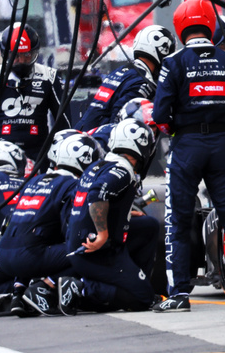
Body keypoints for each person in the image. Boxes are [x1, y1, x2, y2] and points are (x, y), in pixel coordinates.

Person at [153, 0, 225, 312]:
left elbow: (160, 114)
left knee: (179, 220)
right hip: (221, 145)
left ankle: (179, 295)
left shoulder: (173, 62)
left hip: (186, 145)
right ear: (210, 24)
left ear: (180, 26)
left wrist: (177, 124)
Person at [0, 132, 102, 316]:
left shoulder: (34, 180)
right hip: (29, 256)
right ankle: (44, 287)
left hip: (3, 255)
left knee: (28, 236)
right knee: (87, 248)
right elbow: (71, 228)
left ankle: (18, 294)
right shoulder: (72, 184)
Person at [62, 119, 161, 313]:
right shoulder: (122, 169)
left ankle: (133, 278)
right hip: (97, 249)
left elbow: (86, 201)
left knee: (148, 225)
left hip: (80, 241)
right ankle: (81, 289)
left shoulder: (99, 165)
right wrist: (103, 234)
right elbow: (97, 194)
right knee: (143, 299)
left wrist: (122, 213)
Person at [0, 23, 68, 159]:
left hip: (39, 155)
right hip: (0, 155)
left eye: (27, 55)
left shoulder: (49, 77)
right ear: (5, 54)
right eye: (15, 56)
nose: (21, 61)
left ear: (35, 52)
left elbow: (64, 122)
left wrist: (59, 158)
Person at [76, 25, 174, 131]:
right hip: (99, 139)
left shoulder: (120, 71)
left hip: (82, 132)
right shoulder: (143, 82)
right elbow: (120, 119)